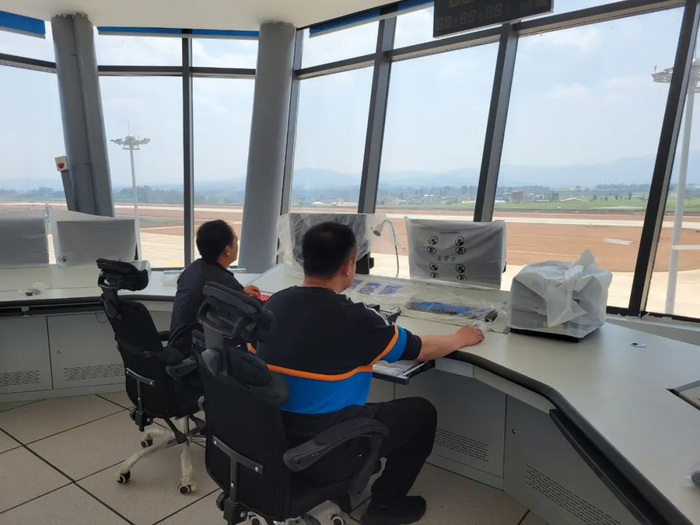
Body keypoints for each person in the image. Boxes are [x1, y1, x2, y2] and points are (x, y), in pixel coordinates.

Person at [253, 222, 484, 525]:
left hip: (272, 438)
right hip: (323, 451)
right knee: (421, 413)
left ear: (304, 260)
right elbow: (419, 349)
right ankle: (386, 505)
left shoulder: (276, 303)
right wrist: (460, 338)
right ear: (349, 266)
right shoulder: (354, 318)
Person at [169, 220, 260, 356]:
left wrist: (239, 292)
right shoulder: (222, 281)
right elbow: (254, 315)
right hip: (195, 356)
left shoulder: (193, 269)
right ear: (227, 250)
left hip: (178, 347)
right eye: (235, 240)